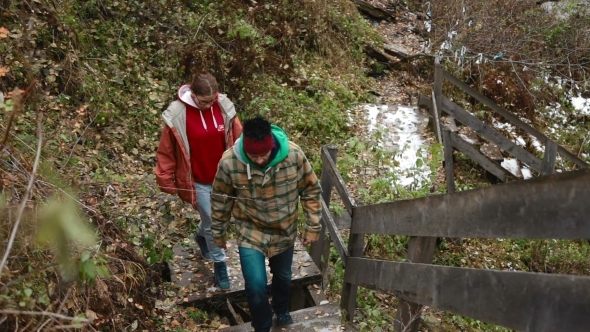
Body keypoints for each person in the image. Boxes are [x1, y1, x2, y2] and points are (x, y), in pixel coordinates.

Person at [210, 116, 322, 332]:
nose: (260, 160)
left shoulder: (294, 155)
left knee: (283, 276)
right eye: (254, 156)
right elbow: (220, 199)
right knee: (255, 285)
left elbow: (311, 189)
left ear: (272, 145)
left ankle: (281, 310)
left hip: (284, 229)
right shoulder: (229, 163)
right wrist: (219, 234)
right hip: (250, 231)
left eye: (264, 155)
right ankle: (261, 325)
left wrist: (312, 226)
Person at [155, 71, 242, 291]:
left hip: (224, 177)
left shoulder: (223, 107)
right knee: (214, 220)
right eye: (204, 101)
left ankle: (201, 236)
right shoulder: (178, 114)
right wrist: (165, 177)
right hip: (198, 179)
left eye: (211, 100)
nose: (208, 105)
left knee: (220, 216)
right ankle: (220, 264)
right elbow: (167, 150)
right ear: (193, 94)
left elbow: (238, 139)